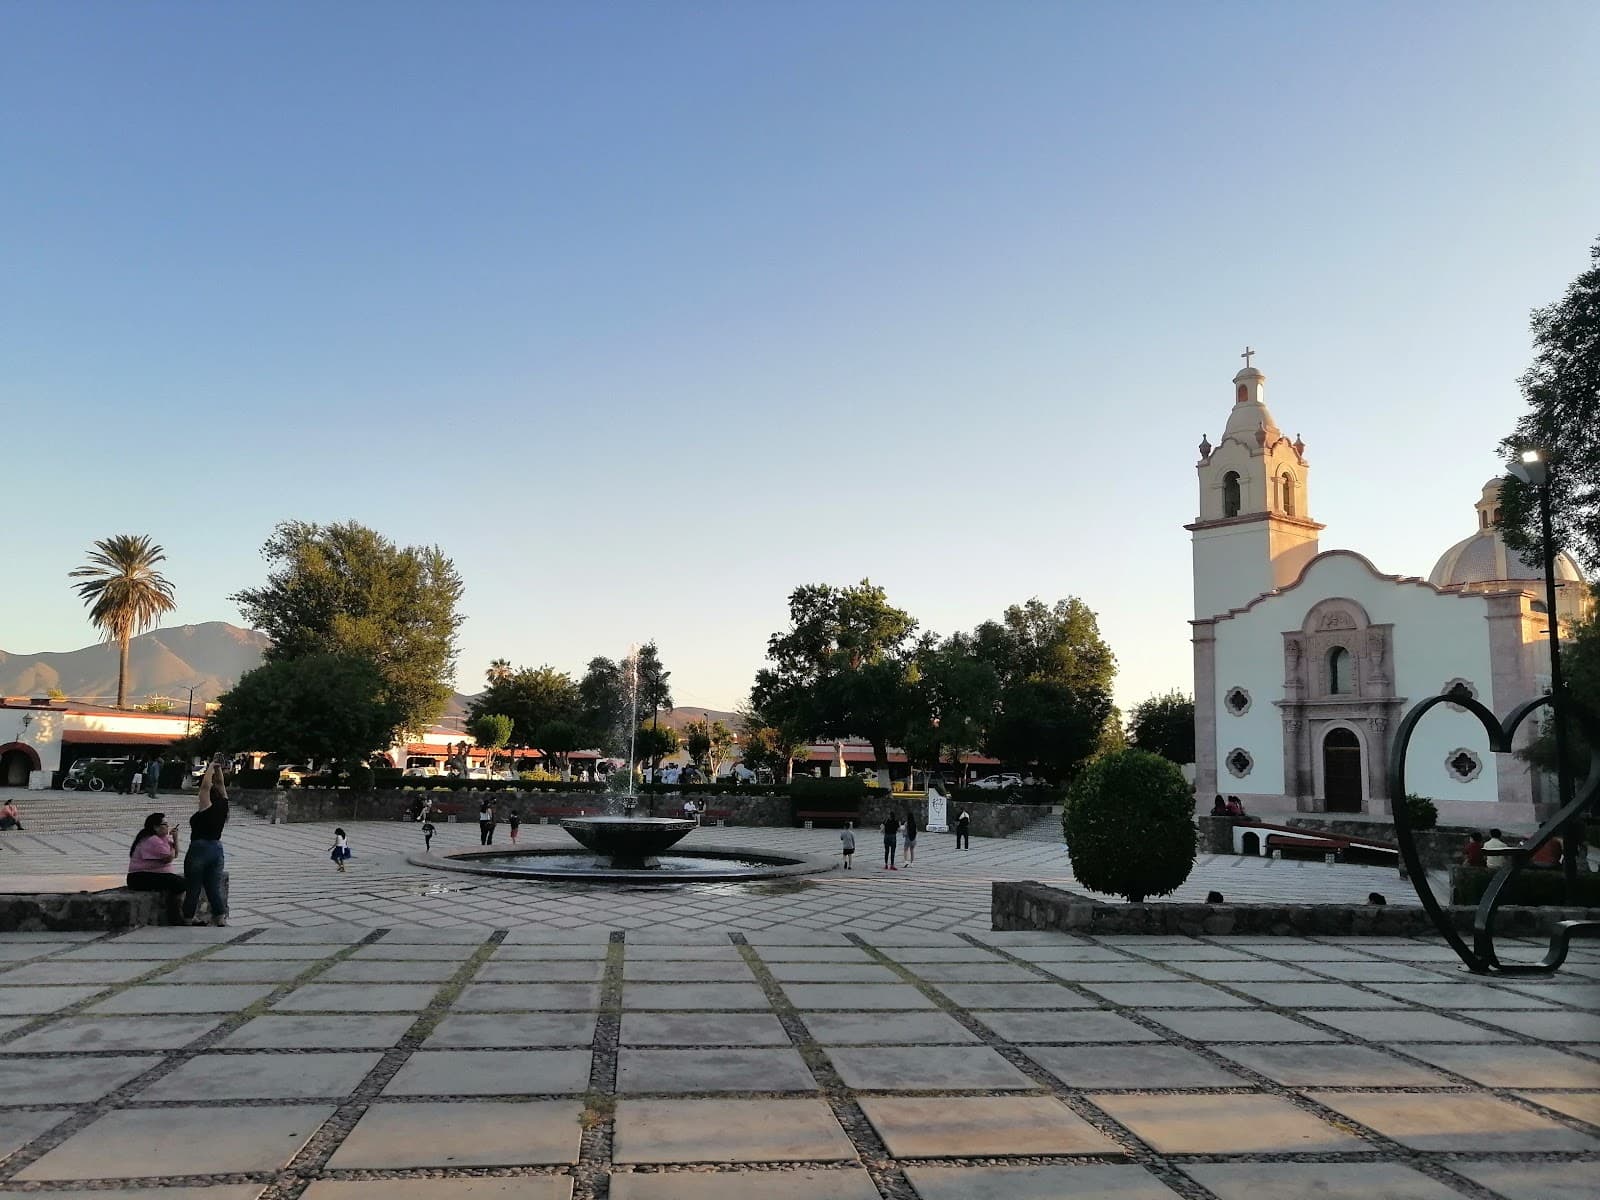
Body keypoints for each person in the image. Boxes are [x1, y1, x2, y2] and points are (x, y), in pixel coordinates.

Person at [182, 755, 230, 927]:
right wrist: (218, 769)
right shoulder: (224, 806)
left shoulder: (206, 807)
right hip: (217, 849)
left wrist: (210, 766)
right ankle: (220, 917)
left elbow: (205, 786)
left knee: (193, 886)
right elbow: (220, 785)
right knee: (213, 887)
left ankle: (188, 917)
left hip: (199, 848)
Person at [127, 812, 186, 924]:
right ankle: (175, 916)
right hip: (140, 877)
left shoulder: (161, 839)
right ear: (155, 827)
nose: (167, 827)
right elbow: (169, 858)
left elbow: (175, 854)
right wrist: (172, 848)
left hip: (147, 875)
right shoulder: (152, 840)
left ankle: (176, 915)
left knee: (178, 883)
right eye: (165, 824)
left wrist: (175, 839)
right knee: (179, 883)